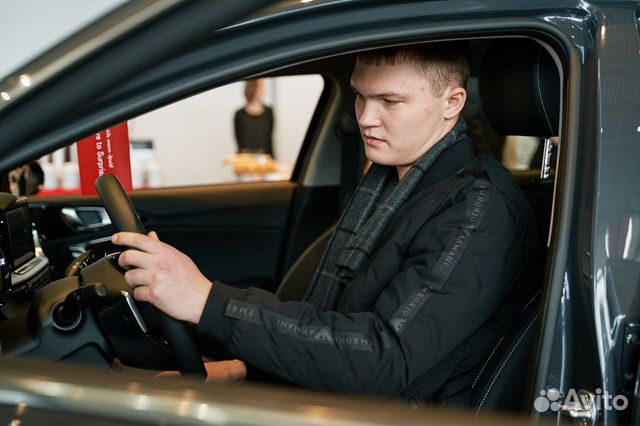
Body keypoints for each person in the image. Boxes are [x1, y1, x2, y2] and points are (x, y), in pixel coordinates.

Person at [112, 43, 541, 406]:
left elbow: (382, 358)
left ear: (453, 103)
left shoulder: (478, 208)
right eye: (360, 96)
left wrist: (209, 302)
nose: (366, 117)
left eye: (390, 102)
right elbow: (334, 324)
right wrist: (240, 372)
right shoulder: (393, 182)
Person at [234, 79, 274, 156]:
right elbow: (239, 141)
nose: (263, 88)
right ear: (252, 87)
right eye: (261, 86)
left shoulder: (269, 112)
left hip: (265, 159)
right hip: (246, 161)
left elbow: (269, 139)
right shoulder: (239, 114)